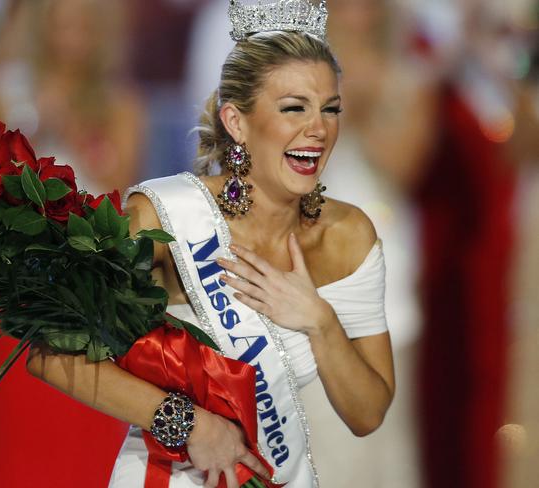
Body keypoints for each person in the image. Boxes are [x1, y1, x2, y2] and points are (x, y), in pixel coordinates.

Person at [27, 2, 395, 487]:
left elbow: (367, 414)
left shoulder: (347, 235)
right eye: (293, 109)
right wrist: (187, 422)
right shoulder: (164, 215)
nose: (319, 129)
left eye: (330, 109)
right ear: (237, 122)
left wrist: (321, 322)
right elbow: (50, 350)